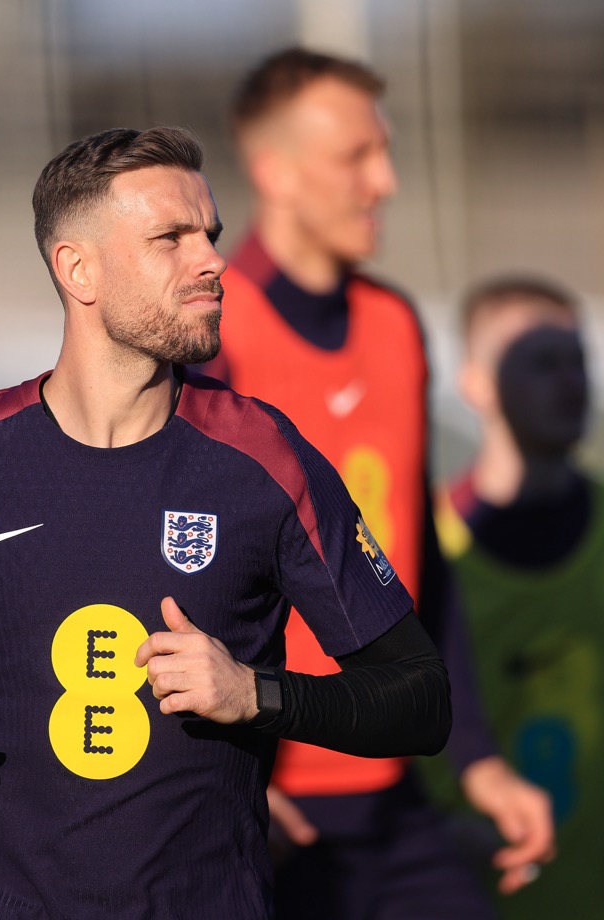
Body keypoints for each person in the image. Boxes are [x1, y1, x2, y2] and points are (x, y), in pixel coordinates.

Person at [0, 125, 453, 920]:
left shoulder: (267, 460)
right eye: (171, 238)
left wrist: (256, 694)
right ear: (77, 269)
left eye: (210, 235)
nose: (213, 261)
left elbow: (421, 698)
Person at [206, 47, 555, 917]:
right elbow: (168, 571)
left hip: (393, 792)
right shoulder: (216, 336)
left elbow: (414, 565)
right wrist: (227, 776)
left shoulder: (396, 325)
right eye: (356, 156)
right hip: (267, 801)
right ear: (274, 172)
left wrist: (475, 756)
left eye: (385, 151)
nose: (387, 180)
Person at [417, 274, 604, 918]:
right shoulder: (423, 546)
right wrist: (439, 833)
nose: (572, 382)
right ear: (476, 385)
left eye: (579, 361)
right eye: (542, 362)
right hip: (462, 900)